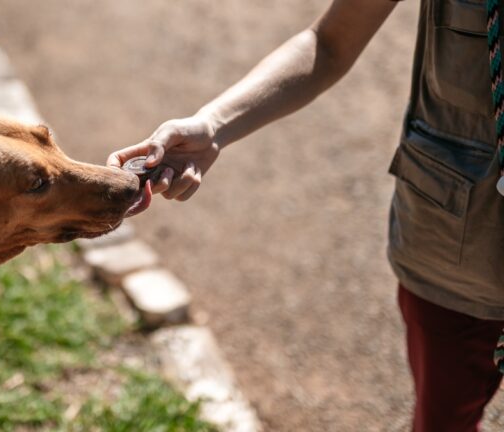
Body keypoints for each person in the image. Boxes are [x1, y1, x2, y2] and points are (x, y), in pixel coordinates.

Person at [107, 0, 504, 431]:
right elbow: (328, 42)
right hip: (452, 254)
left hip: (449, 240)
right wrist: (214, 125)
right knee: (443, 419)